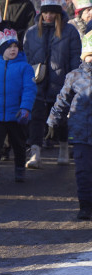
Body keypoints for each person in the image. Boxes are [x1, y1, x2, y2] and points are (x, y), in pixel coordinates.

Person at [23, 0, 82, 168]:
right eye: (45, 12)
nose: (48, 16)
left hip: (60, 82)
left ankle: (63, 149)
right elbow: (26, 57)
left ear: (58, 13)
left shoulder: (70, 31)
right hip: (37, 82)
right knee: (37, 117)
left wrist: (72, 82)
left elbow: (74, 58)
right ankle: (35, 152)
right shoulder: (32, 32)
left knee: (61, 117)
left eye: (51, 12)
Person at [0, 30, 36, 185]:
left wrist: (25, 108)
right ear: (1, 49)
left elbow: (29, 90)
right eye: (9, 47)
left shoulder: (25, 68)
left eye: (15, 47)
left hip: (17, 115)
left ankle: (19, 170)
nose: (13, 49)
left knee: (19, 144)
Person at [48, 31, 92, 219]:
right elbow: (62, 101)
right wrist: (52, 121)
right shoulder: (74, 76)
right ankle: (85, 206)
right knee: (83, 171)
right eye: (90, 55)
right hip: (81, 132)